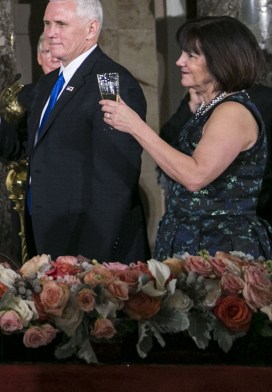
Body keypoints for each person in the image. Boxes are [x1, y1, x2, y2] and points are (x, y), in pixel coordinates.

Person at [0, 0, 148, 262]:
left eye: (61, 24)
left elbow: (115, 182)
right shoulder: (48, 84)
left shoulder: (111, 83)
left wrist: (89, 259)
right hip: (45, 234)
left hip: (87, 246)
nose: (51, 32)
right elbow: (25, 150)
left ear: (91, 29)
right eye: (47, 23)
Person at [102, 16, 272, 257]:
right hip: (193, 239)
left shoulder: (232, 111)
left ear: (221, 60)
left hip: (220, 248)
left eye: (191, 56)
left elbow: (194, 176)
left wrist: (136, 126)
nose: (179, 61)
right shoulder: (211, 106)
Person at [160, 83, 272, 223]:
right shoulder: (198, 97)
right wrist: (191, 107)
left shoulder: (263, 99)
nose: (182, 62)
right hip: (190, 213)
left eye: (193, 59)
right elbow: (167, 137)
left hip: (243, 213)